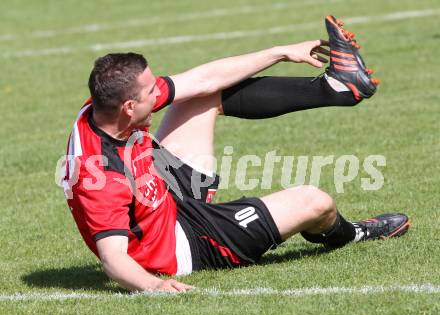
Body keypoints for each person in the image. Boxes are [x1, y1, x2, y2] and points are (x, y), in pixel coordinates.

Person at [62, 16, 410, 293]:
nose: (161, 93)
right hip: (181, 244)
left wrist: (280, 51)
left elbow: (202, 80)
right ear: (127, 106)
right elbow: (112, 258)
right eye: (152, 92)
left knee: (202, 94)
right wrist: (155, 284)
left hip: (164, 192)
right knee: (314, 202)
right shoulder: (99, 176)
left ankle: (336, 86)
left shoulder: (102, 109)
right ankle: (355, 234)